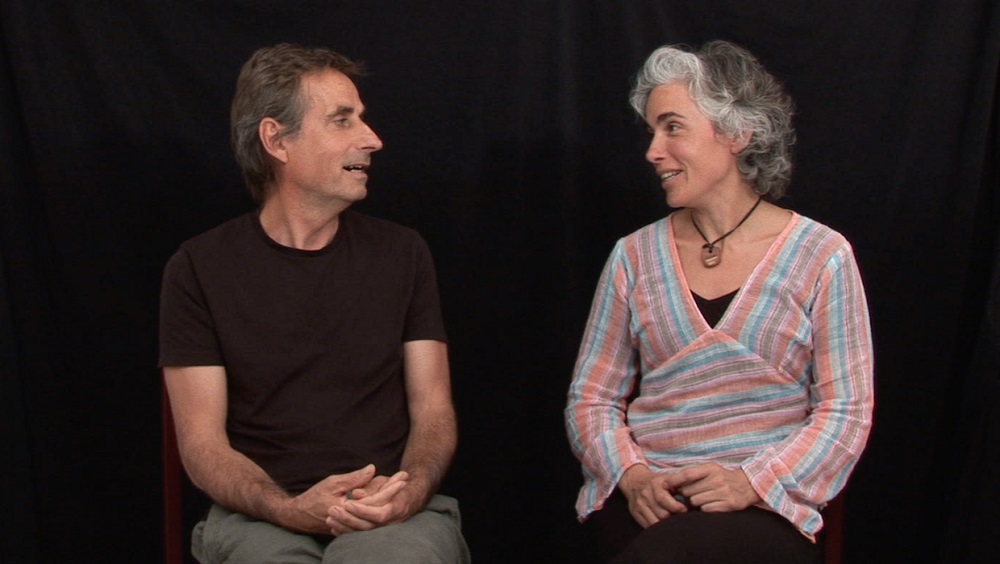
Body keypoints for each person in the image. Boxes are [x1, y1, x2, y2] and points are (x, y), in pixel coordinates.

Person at [564, 40, 874, 563]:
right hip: (650, 500)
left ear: (737, 133)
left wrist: (750, 482)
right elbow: (591, 400)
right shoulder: (632, 257)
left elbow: (846, 411)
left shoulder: (822, 255)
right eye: (652, 132)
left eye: (673, 127)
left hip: (762, 506)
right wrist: (633, 477)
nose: (653, 151)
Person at [159, 43, 470, 564]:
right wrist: (286, 508)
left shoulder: (403, 254)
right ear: (276, 140)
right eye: (342, 120)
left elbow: (434, 411)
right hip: (258, 516)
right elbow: (202, 445)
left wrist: (409, 492)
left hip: (389, 511)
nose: (372, 139)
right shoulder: (197, 268)